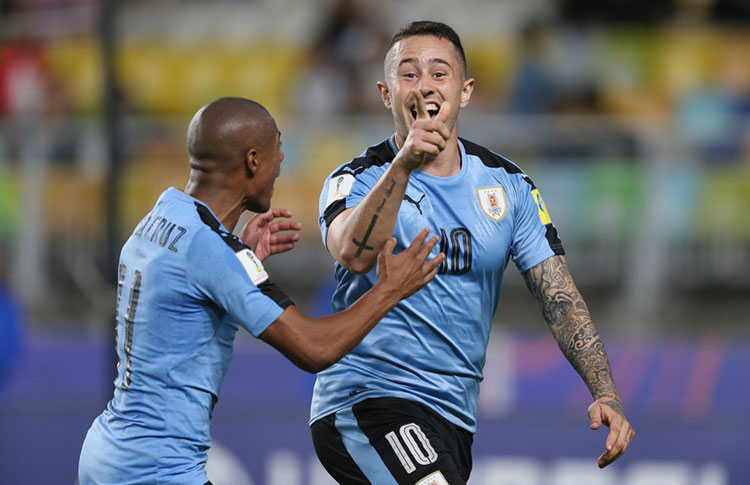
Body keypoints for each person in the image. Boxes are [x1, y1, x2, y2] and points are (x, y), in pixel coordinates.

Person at [312, 21, 635, 485]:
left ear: (464, 92)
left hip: (453, 418)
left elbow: (560, 298)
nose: (425, 85)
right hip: (368, 401)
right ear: (386, 94)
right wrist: (403, 165)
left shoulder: (509, 186)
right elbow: (352, 253)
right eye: (409, 74)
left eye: (439, 73)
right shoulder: (356, 179)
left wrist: (606, 392)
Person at [77, 96, 445, 485]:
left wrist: (240, 257)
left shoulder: (162, 215)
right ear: (253, 160)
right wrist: (389, 289)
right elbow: (313, 348)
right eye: (277, 147)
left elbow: (185, 295)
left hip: (109, 451)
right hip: (156, 469)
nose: (281, 158)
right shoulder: (215, 252)